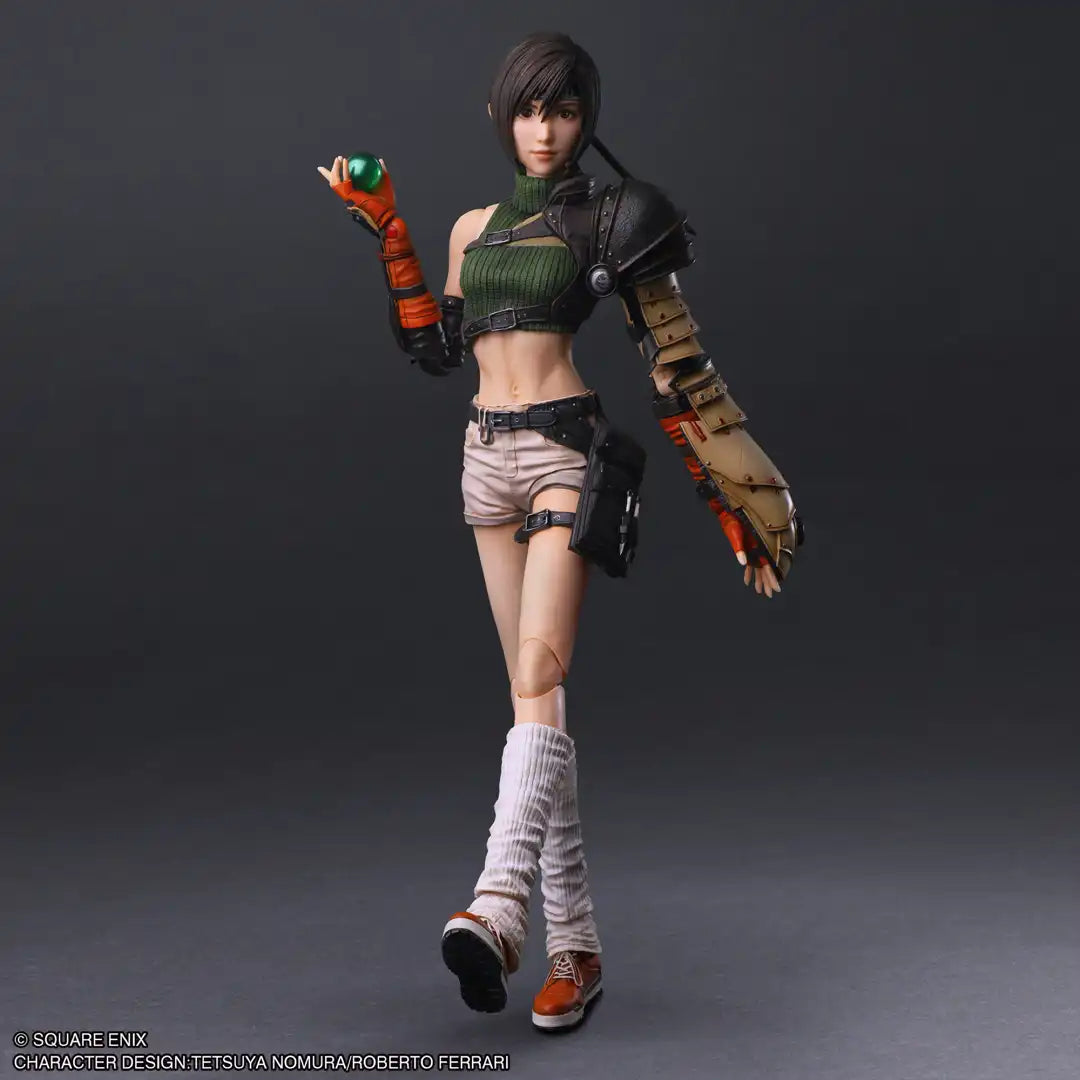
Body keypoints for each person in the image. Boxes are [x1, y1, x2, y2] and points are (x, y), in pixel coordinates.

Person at [317, 31, 802, 1033]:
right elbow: (435, 349)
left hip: (562, 452)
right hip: (482, 460)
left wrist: (736, 496)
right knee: (534, 702)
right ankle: (575, 949)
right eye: (530, 110)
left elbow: (678, 364)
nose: (545, 131)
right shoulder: (473, 229)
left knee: (540, 668)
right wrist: (392, 231)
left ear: (588, 119)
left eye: (565, 110)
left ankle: (498, 908)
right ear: (504, 116)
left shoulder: (613, 218)